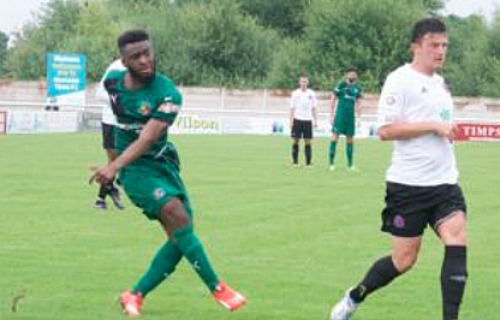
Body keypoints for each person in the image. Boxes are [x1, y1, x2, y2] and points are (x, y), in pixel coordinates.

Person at [89, 29, 246, 316]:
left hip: (162, 164)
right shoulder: (111, 84)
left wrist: (113, 166)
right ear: (123, 62)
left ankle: (134, 295)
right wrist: (112, 162)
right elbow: (109, 122)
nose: (145, 60)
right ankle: (218, 287)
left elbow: (148, 137)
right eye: (136, 57)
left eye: (147, 53)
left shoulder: (168, 93)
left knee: (181, 236)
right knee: (177, 215)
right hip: (135, 170)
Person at [329, 18, 467, 320]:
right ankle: (355, 296)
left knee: (456, 238)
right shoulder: (399, 80)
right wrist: (433, 126)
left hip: (445, 183)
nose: (441, 51)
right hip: (408, 186)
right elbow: (386, 130)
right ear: (416, 46)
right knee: (403, 260)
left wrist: (446, 129)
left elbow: (439, 125)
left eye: (444, 45)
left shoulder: (441, 84)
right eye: (434, 45)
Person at [93, 59, 127, 210]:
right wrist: (119, 103)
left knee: (121, 158)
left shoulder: (139, 70)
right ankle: (105, 194)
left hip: (126, 122)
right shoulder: (116, 68)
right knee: (114, 160)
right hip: (110, 121)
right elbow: (100, 94)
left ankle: (104, 195)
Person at [328, 67, 362, 171]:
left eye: (354, 74)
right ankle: (331, 164)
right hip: (340, 116)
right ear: (347, 75)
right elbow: (333, 98)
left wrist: (359, 117)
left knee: (350, 140)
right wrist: (331, 114)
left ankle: (350, 165)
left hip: (350, 117)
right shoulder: (341, 85)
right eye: (351, 74)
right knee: (334, 137)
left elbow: (359, 103)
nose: (352, 76)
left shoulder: (357, 87)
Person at [289, 75, 318, 167]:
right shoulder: (295, 93)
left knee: (308, 141)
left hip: (308, 120)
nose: (303, 83)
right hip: (297, 119)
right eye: (302, 82)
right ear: (299, 82)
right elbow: (292, 108)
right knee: (295, 141)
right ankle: (295, 162)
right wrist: (291, 121)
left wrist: (315, 120)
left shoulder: (312, 94)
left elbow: (314, 108)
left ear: (308, 83)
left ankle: (308, 163)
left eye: (305, 82)